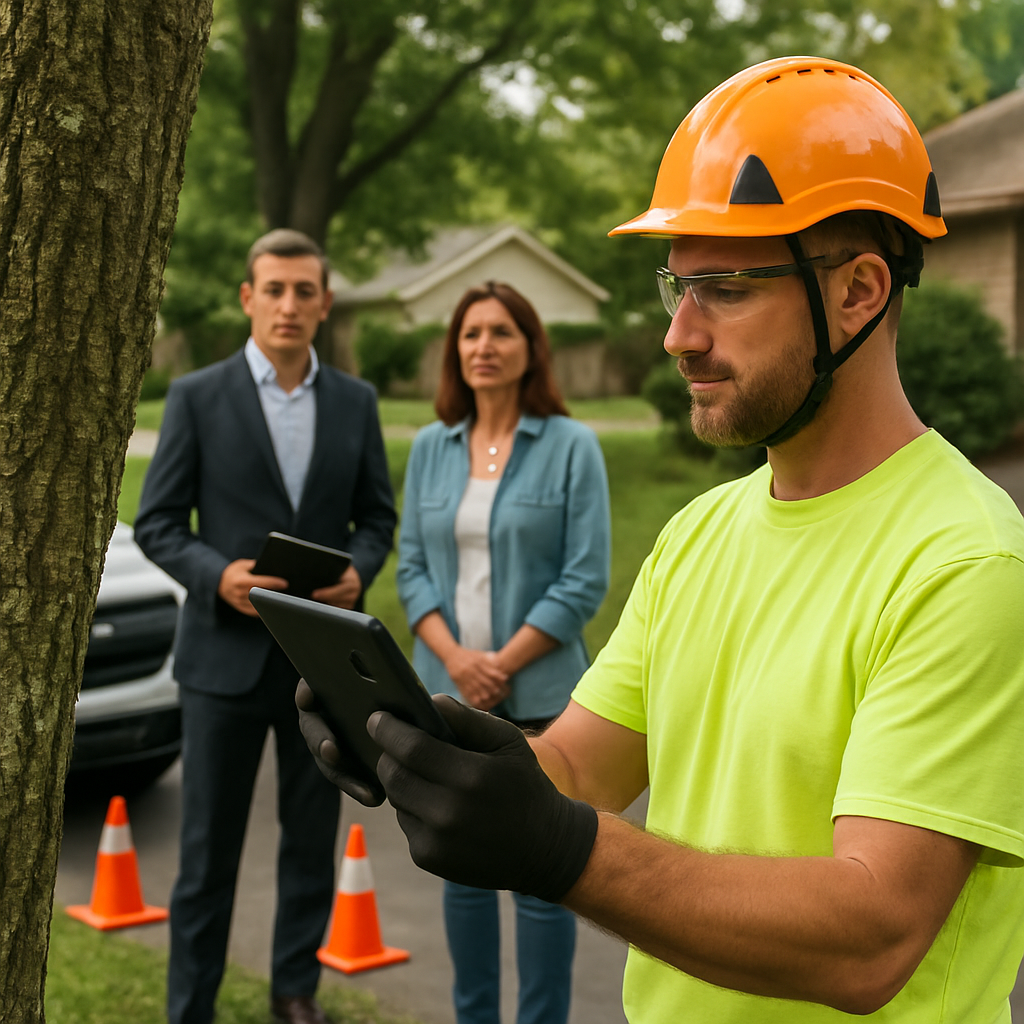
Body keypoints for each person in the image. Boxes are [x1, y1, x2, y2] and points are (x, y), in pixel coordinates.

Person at [297, 56, 1024, 1023]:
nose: (679, 335)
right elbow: (577, 772)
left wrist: (564, 849)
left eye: (724, 287)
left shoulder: (965, 563)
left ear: (858, 294)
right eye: (675, 287)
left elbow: (873, 935)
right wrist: (436, 752)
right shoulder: (700, 533)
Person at [135, 228, 396, 1024]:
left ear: (323, 304)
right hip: (220, 665)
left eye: (304, 291)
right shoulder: (196, 396)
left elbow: (376, 517)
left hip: (318, 666)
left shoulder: (356, 402)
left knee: (310, 843)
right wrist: (220, 576)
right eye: (273, 290)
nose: (289, 305)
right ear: (249, 299)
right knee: (206, 854)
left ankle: (294, 994)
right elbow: (158, 523)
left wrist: (359, 567)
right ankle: (191, 1006)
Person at [396, 281, 611, 1024]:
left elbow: (584, 578)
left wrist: (502, 664)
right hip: (447, 695)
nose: (483, 346)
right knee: (462, 876)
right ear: (455, 351)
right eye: (470, 334)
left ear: (529, 349)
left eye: (501, 333)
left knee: (542, 878)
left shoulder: (572, 447)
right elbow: (412, 570)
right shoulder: (431, 447)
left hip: (543, 699)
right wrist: (458, 661)